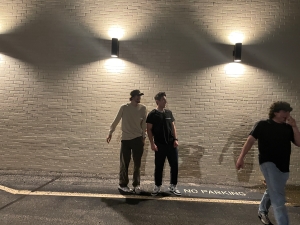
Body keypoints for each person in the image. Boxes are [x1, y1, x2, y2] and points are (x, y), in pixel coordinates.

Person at [236, 101, 300, 225]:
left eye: (289, 112)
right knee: (278, 198)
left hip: (283, 166)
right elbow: (250, 141)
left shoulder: (288, 128)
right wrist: (241, 157)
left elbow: (299, 142)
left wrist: (294, 126)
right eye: (285, 111)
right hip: (268, 163)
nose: (287, 114)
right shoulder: (262, 125)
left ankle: (262, 210)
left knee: (274, 190)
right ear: (276, 112)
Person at [107, 90, 147, 194]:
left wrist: (143, 137)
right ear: (133, 97)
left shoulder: (143, 108)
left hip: (138, 139)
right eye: (137, 96)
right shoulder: (124, 107)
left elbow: (144, 124)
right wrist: (110, 132)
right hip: (125, 139)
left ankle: (136, 185)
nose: (139, 98)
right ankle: (123, 185)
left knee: (137, 164)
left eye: (140, 96)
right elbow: (116, 120)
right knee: (124, 163)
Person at [146, 92, 181, 196]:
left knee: (174, 166)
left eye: (165, 100)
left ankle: (173, 186)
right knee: (159, 166)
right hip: (159, 145)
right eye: (163, 100)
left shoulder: (169, 113)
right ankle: (157, 186)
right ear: (157, 101)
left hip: (171, 144)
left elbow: (173, 127)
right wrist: (152, 144)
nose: (165, 101)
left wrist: (175, 139)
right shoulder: (152, 114)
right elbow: (149, 130)